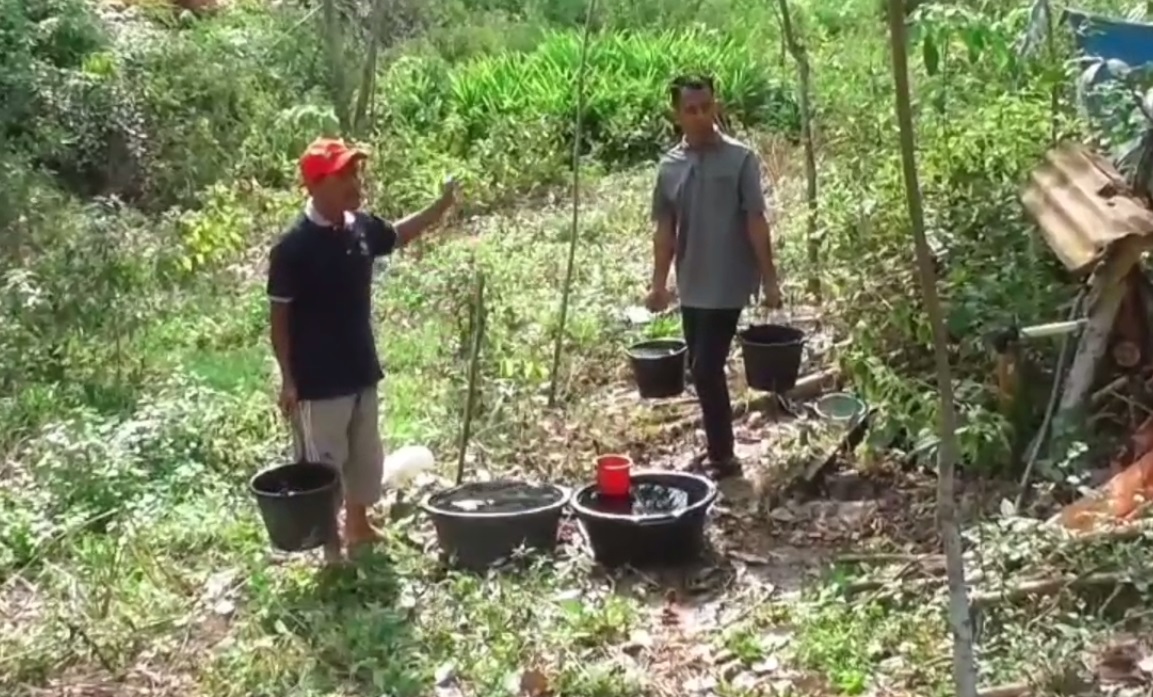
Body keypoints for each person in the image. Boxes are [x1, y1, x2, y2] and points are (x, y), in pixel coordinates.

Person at [266, 136, 458, 562]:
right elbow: (279, 319)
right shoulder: (292, 248)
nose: (355, 182)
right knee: (324, 467)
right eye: (344, 174)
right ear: (315, 186)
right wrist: (288, 379)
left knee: (365, 458)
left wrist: (440, 206)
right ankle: (331, 548)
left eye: (355, 172)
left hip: (359, 366)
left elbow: (398, 234)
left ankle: (358, 525)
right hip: (318, 380)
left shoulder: (359, 226)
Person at [645, 75, 781, 480]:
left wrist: (770, 280)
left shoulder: (740, 158)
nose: (701, 116)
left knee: (706, 367)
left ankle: (724, 456)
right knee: (701, 368)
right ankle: (716, 448)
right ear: (677, 114)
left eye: (707, 107)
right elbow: (664, 231)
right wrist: (658, 283)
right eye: (691, 110)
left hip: (730, 278)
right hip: (693, 280)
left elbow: (756, 220)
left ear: (716, 106)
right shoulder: (670, 166)